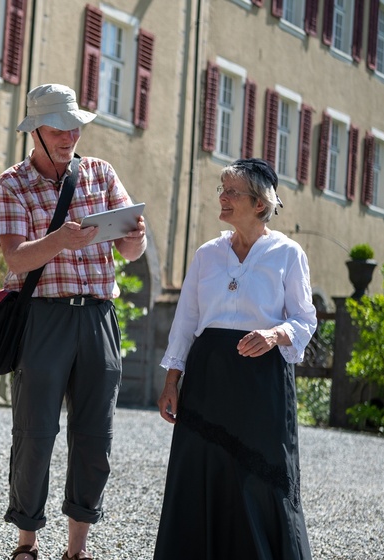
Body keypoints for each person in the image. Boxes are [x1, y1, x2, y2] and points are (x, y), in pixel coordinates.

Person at [0, 83, 146, 560]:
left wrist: (135, 237)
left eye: (74, 126)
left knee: (95, 436)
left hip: (99, 315)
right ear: (34, 131)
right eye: (58, 127)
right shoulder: (10, 184)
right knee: (34, 433)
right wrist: (60, 241)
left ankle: (77, 549)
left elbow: (131, 251)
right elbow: (15, 260)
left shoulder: (100, 172)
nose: (69, 136)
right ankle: (26, 543)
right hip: (43, 318)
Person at [154, 158, 317, 559]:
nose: (223, 198)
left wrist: (275, 334)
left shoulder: (287, 254)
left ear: (260, 204)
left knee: (259, 477)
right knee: (200, 473)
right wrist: (172, 379)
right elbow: (187, 320)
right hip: (207, 380)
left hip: (261, 381)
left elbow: (305, 319)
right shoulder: (207, 254)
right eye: (221, 190)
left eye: (232, 192)